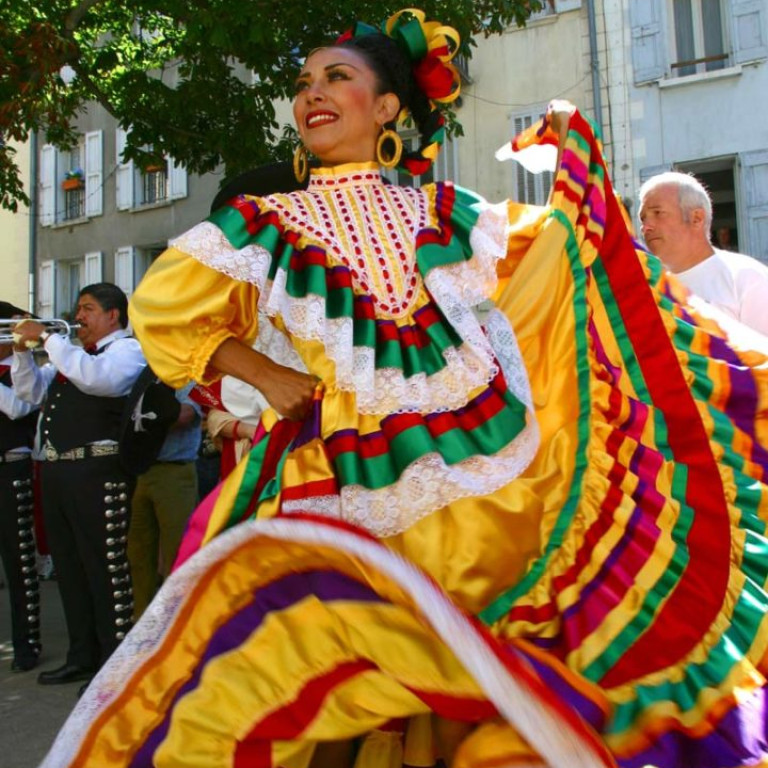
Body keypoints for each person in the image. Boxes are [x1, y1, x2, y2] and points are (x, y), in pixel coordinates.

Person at [43, 10, 768, 768]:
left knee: (476, 670)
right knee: (321, 671)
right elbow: (166, 308)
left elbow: (554, 262)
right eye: (302, 83)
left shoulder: (443, 210)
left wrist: (577, 176)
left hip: (482, 467)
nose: (312, 94)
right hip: (337, 468)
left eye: (337, 77)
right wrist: (263, 373)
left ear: (388, 107)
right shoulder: (264, 220)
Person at [12, 283, 145, 691]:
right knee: (69, 569)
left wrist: (48, 337)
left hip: (97, 473)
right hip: (59, 474)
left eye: (87, 309)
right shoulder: (73, 357)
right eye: (78, 308)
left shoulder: (126, 352)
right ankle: (81, 656)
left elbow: (98, 381)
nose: (79, 317)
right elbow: (30, 392)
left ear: (113, 316)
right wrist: (20, 351)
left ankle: (113, 665)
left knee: (103, 570)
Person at [639, 171, 768, 336]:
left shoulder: (747, 278)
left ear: (697, 218)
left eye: (657, 213)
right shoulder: (644, 290)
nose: (646, 227)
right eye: (643, 218)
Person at [126, 384, 201, 618]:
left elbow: (186, 414)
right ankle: (141, 625)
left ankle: (175, 625)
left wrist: (150, 418)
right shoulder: (145, 374)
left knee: (177, 553)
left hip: (174, 471)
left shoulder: (187, 375)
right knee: (138, 553)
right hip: (141, 470)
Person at [0, 301, 41, 672]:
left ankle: (27, 643)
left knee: (20, 561)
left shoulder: (21, 367)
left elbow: (18, 409)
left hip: (11, 469)